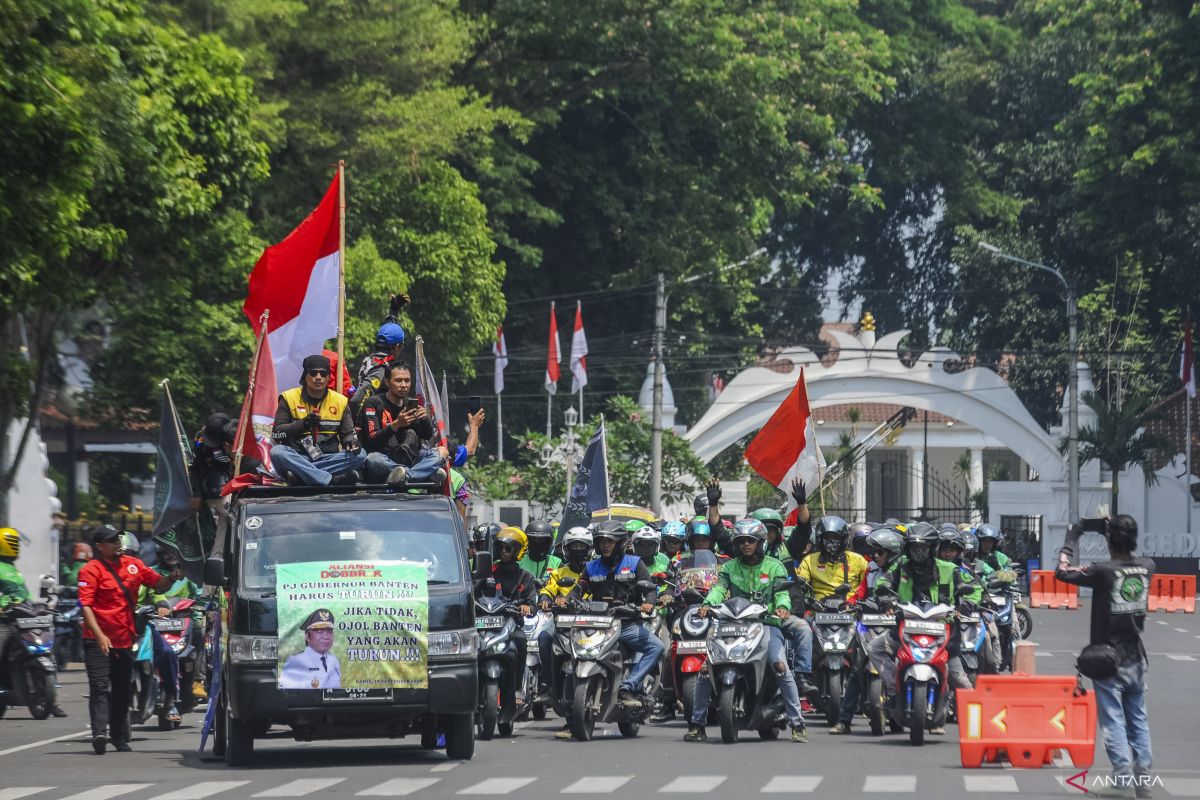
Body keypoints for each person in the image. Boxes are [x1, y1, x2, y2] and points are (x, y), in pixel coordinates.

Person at [1056, 515, 1154, 798]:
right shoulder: (1148, 567)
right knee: (1138, 720)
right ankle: (1143, 781)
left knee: (1113, 721)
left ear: (1109, 540)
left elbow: (1061, 572)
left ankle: (1122, 781)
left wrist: (1073, 537)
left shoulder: (1102, 571)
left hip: (1108, 661)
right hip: (1136, 658)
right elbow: (1129, 558)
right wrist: (1112, 532)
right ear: (1134, 538)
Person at [686, 519, 807, 743]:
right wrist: (706, 605)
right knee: (706, 668)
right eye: (741, 541)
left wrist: (782, 608)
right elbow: (719, 589)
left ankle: (797, 722)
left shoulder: (775, 566)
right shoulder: (730, 567)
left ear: (760, 542)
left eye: (750, 541)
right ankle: (697, 724)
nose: (745, 545)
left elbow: (781, 593)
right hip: (732, 625)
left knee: (779, 665)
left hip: (767, 625)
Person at [78, 524, 184, 754]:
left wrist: (173, 578)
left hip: (125, 639)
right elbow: (86, 607)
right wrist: (100, 635)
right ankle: (99, 732)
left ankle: (119, 737)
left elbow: (158, 583)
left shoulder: (134, 565)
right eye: (111, 540)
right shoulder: (90, 570)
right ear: (99, 546)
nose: (117, 543)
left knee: (122, 690)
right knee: (99, 687)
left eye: (118, 538)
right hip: (97, 641)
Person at [867, 523, 980, 734]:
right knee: (874, 647)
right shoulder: (900, 566)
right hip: (905, 630)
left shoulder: (949, 569)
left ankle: (981, 727)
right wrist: (885, 599)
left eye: (923, 548)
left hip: (943, 632)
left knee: (961, 681)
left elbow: (974, 588)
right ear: (907, 549)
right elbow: (882, 583)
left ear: (932, 548)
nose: (919, 553)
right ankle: (895, 689)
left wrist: (966, 605)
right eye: (914, 549)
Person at [566, 521, 663, 708]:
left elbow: (650, 589)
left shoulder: (635, 563)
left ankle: (628, 686)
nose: (605, 545)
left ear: (620, 543)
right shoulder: (592, 566)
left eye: (609, 542)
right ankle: (571, 714)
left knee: (656, 647)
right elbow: (579, 588)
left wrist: (648, 604)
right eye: (602, 542)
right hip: (596, 625)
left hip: (626, 624)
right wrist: (567, 599)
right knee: (573, 659)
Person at [829, 526, 905, 735]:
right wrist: (849, 603)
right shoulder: (870, 570)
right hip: (870, 623)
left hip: (897, 627)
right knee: (856, 669)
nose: (875, 556)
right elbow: (860, 593)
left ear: (893, 553)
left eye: (880, 552)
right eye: (874, 552)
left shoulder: (903, 571)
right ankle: (844, 721)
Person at [271, 354, 367, 486]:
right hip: (298, 457)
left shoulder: (340, 401)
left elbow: (348, 433)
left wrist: (351, 441)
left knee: (361, 455)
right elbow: (276, 433)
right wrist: (303, 424)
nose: (318, 378)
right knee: (277, 452)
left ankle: (304, 476)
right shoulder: (288, 398)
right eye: (313, 373)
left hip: (328, 458)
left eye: (323, 374)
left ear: (328, 377)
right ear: (305, 375)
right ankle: (329, 479)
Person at [475, 528, 536, 728]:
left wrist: (527, 606)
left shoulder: (525, 577)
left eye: (508, 548)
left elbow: (532, 603)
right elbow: (473, 592)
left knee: (520, 641)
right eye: (501, 547)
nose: (503, 551)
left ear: (518, 551)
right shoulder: (487, 571)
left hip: (510, 624)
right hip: (485, 623)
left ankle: (517, 688)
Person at [538, 526, 592, 736]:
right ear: (567, 550)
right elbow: (546, 590)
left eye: (582, 546)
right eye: (574, 546)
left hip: (590, 626)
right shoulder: (559, 573)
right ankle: (550, 682)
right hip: (562, 625)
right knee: (543, 637)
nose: (578, 550)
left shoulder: (595, 570)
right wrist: (545, 600)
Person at [360, 363, 446, 485]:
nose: (404, 385)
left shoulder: (411, 404)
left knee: (443, 451)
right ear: (387, 382)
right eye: (398, 381)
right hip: (384, 458)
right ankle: (420, 474)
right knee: (373, 460)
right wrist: (396, 425)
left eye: (407, 381)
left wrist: (424, 419)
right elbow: (372, 440)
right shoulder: (373, 403)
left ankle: (406, 475)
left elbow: (426, 436)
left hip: (409, 458)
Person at [350, 293, 411, 422]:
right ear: (396, 347)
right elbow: (357, 400)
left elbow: (387, 330)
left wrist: (394, 310)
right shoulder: (381, 369)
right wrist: (360, 423)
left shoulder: (374, 357)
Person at [279, 609, 342, 689]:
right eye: (319, 631)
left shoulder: (333, 660)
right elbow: (287, 694)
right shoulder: (296, 661)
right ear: (307, 636)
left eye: (329, 631)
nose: (326, 637)